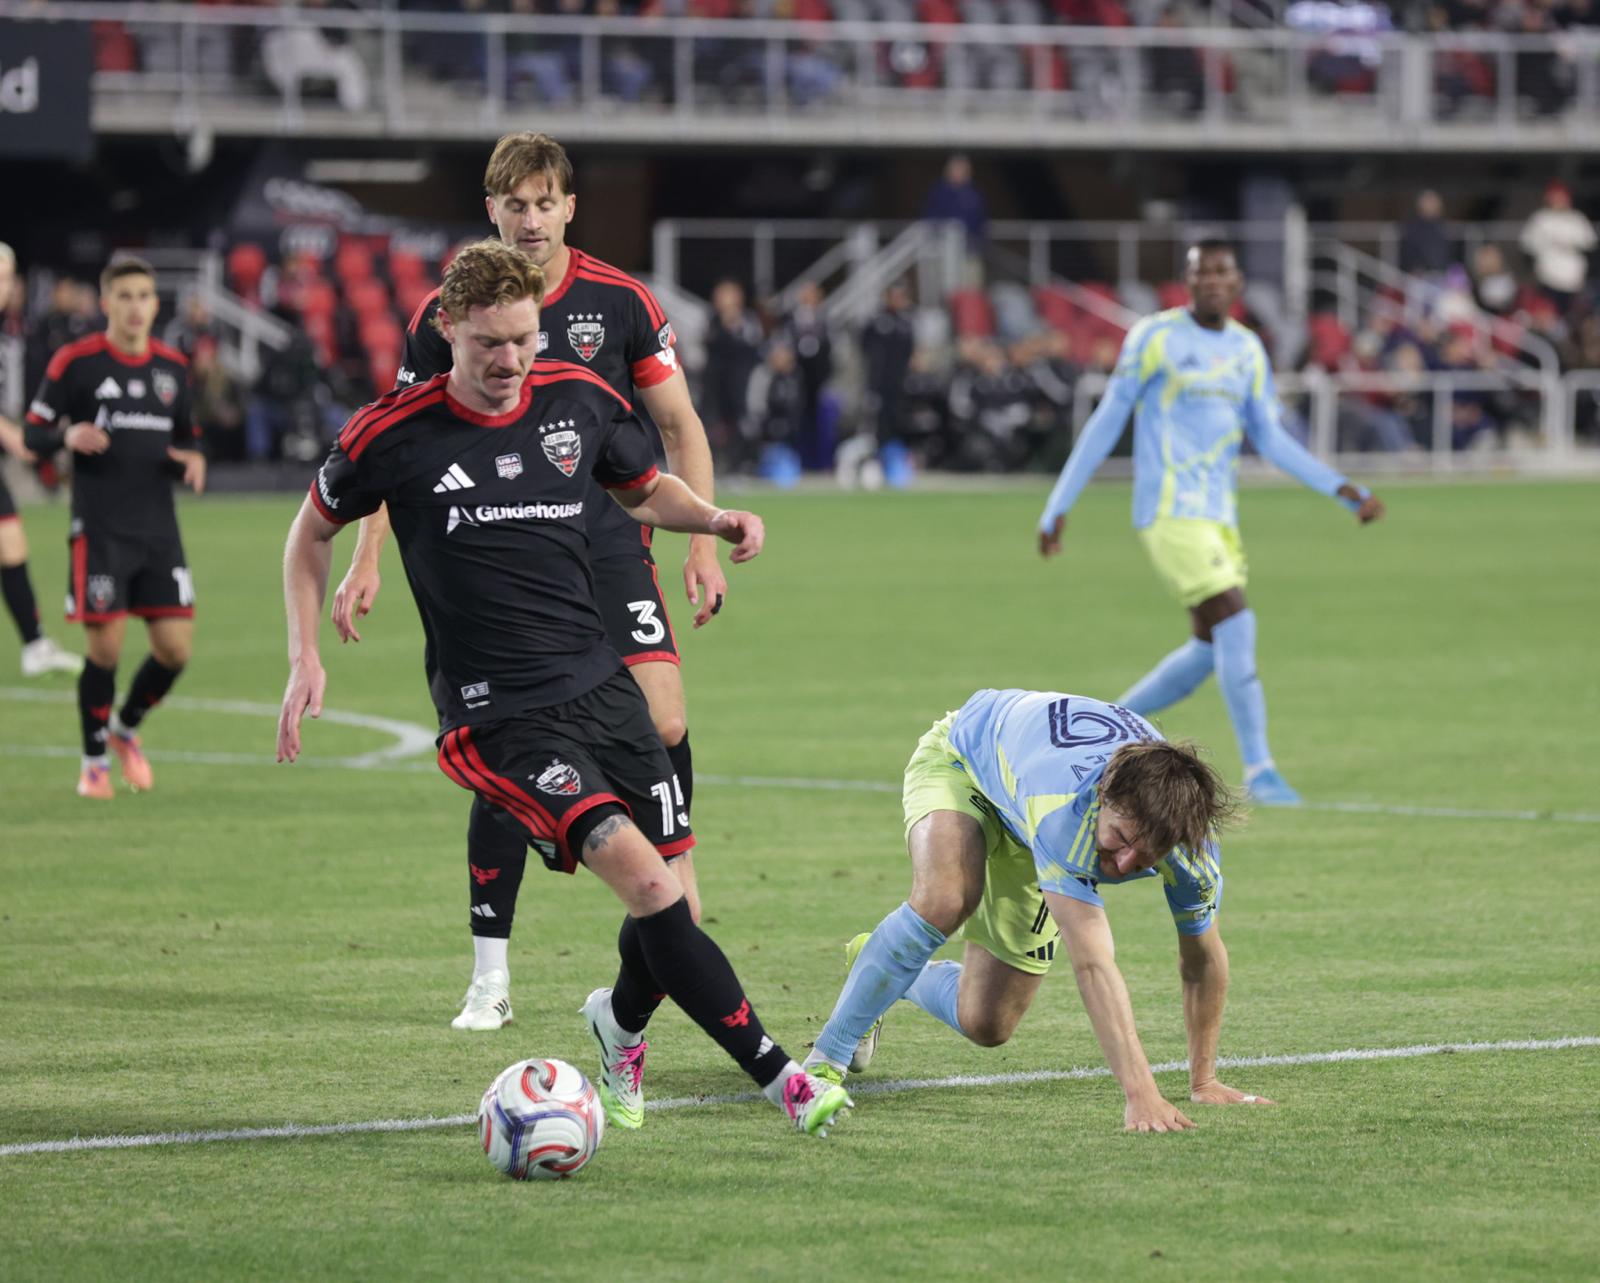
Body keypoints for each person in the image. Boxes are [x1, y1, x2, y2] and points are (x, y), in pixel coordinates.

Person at [277, 239, 852, 1139]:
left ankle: (618, 1024)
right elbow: (307, 532)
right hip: (500, 716)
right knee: (648, 884)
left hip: (602, 687)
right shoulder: (391, 433)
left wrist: (712, 518)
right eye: (488, 343)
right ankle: (785, 1080)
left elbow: (644, 489)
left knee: (679, 908)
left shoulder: (578, 401)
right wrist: (304, 654)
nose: (509, 360)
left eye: (523, 339)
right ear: (448, 330)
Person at [330, 133, 727, 1032]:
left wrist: (703, 538)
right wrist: (367, 553)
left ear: (569, 208)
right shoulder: (450, 311)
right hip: (501, 547)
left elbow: (678, 425)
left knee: (665, 721)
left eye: (546, 202)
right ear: (493, 211)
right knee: (512, 747)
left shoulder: (621, 301)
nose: (532, 218)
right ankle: (490, 971)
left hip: (608, 534)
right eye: (516, 204)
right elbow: (397, 446)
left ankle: (666, 888)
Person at [804, 688, 1273, 1132]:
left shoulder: (1192, 852)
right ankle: (824, 1064)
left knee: (987, 1022)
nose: (1125, 864)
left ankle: (881, 965)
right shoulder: (1065, 814)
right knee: (946, 899)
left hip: (1025, 816)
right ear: (1104, 797)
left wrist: (1204, 1082)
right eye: (1120, 839)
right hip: (964, 761)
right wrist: (1141, 1094)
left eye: (1147, 855)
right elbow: (1093, 964)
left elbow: (1201, 958)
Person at [1036, 240, 1385, 806]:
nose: (1212, 282)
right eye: (1202, 273)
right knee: (1236, 620)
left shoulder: (1247, 349)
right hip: (1170, 510)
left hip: (1219, 516)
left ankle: (1100, 734)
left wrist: (1342, 489)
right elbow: (1108, 420)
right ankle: (1262, 770)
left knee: (1206, 649)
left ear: (1237, 282)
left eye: (1222, 272)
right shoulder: (1155, 337)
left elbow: (1269, 437)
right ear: (1188, 280)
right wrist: (1059, 504)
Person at [24, 256, 205, 800]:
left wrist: (191, 461)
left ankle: (125, 729)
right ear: (106, 303)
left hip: (159, 531)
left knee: (175, 650)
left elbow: (189, 439)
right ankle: (94, 762)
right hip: (100, 531)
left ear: (154, 304)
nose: (135, 307)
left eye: (144, 296)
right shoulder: (76, 363)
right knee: (104, 652)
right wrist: (66, 436)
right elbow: (32, 433)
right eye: (124, 296)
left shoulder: (172, 368)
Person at [0, 243, 82, 677]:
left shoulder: (13, 328)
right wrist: (13, 436)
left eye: (7, 277)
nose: (4, 286)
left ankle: (34, 645)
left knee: (11, 544)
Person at [1519, 180, 1595, 318]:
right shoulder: (1540, 218)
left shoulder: (1576, 218)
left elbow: (1589, 244)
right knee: (1548, 314)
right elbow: (1527, 246)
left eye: (1561, 197)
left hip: (1573, 279)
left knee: (1573, 316)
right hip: (1548, 278)